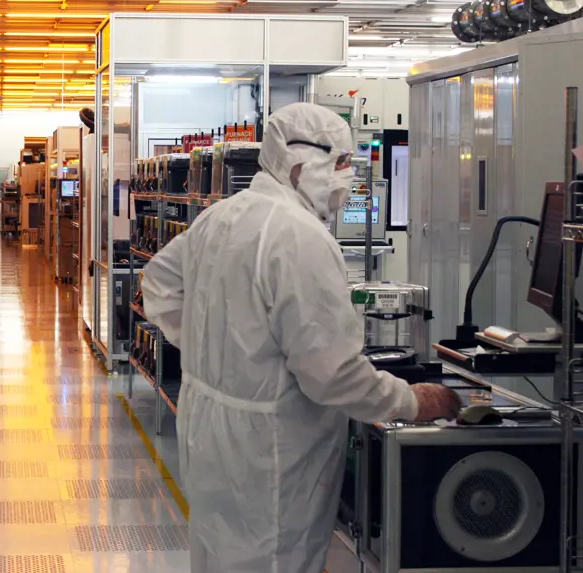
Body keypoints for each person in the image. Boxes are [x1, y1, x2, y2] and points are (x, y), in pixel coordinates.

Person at [141, 103, 461, 573]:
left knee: (215, 555)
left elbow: (158, 282)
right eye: (341, 163)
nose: (347, 177)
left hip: (208, 432)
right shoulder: (300, 237)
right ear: (298, 164)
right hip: (270, 451)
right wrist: (412, 402)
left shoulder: (223, 216)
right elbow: (331, 376)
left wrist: (217, 350)